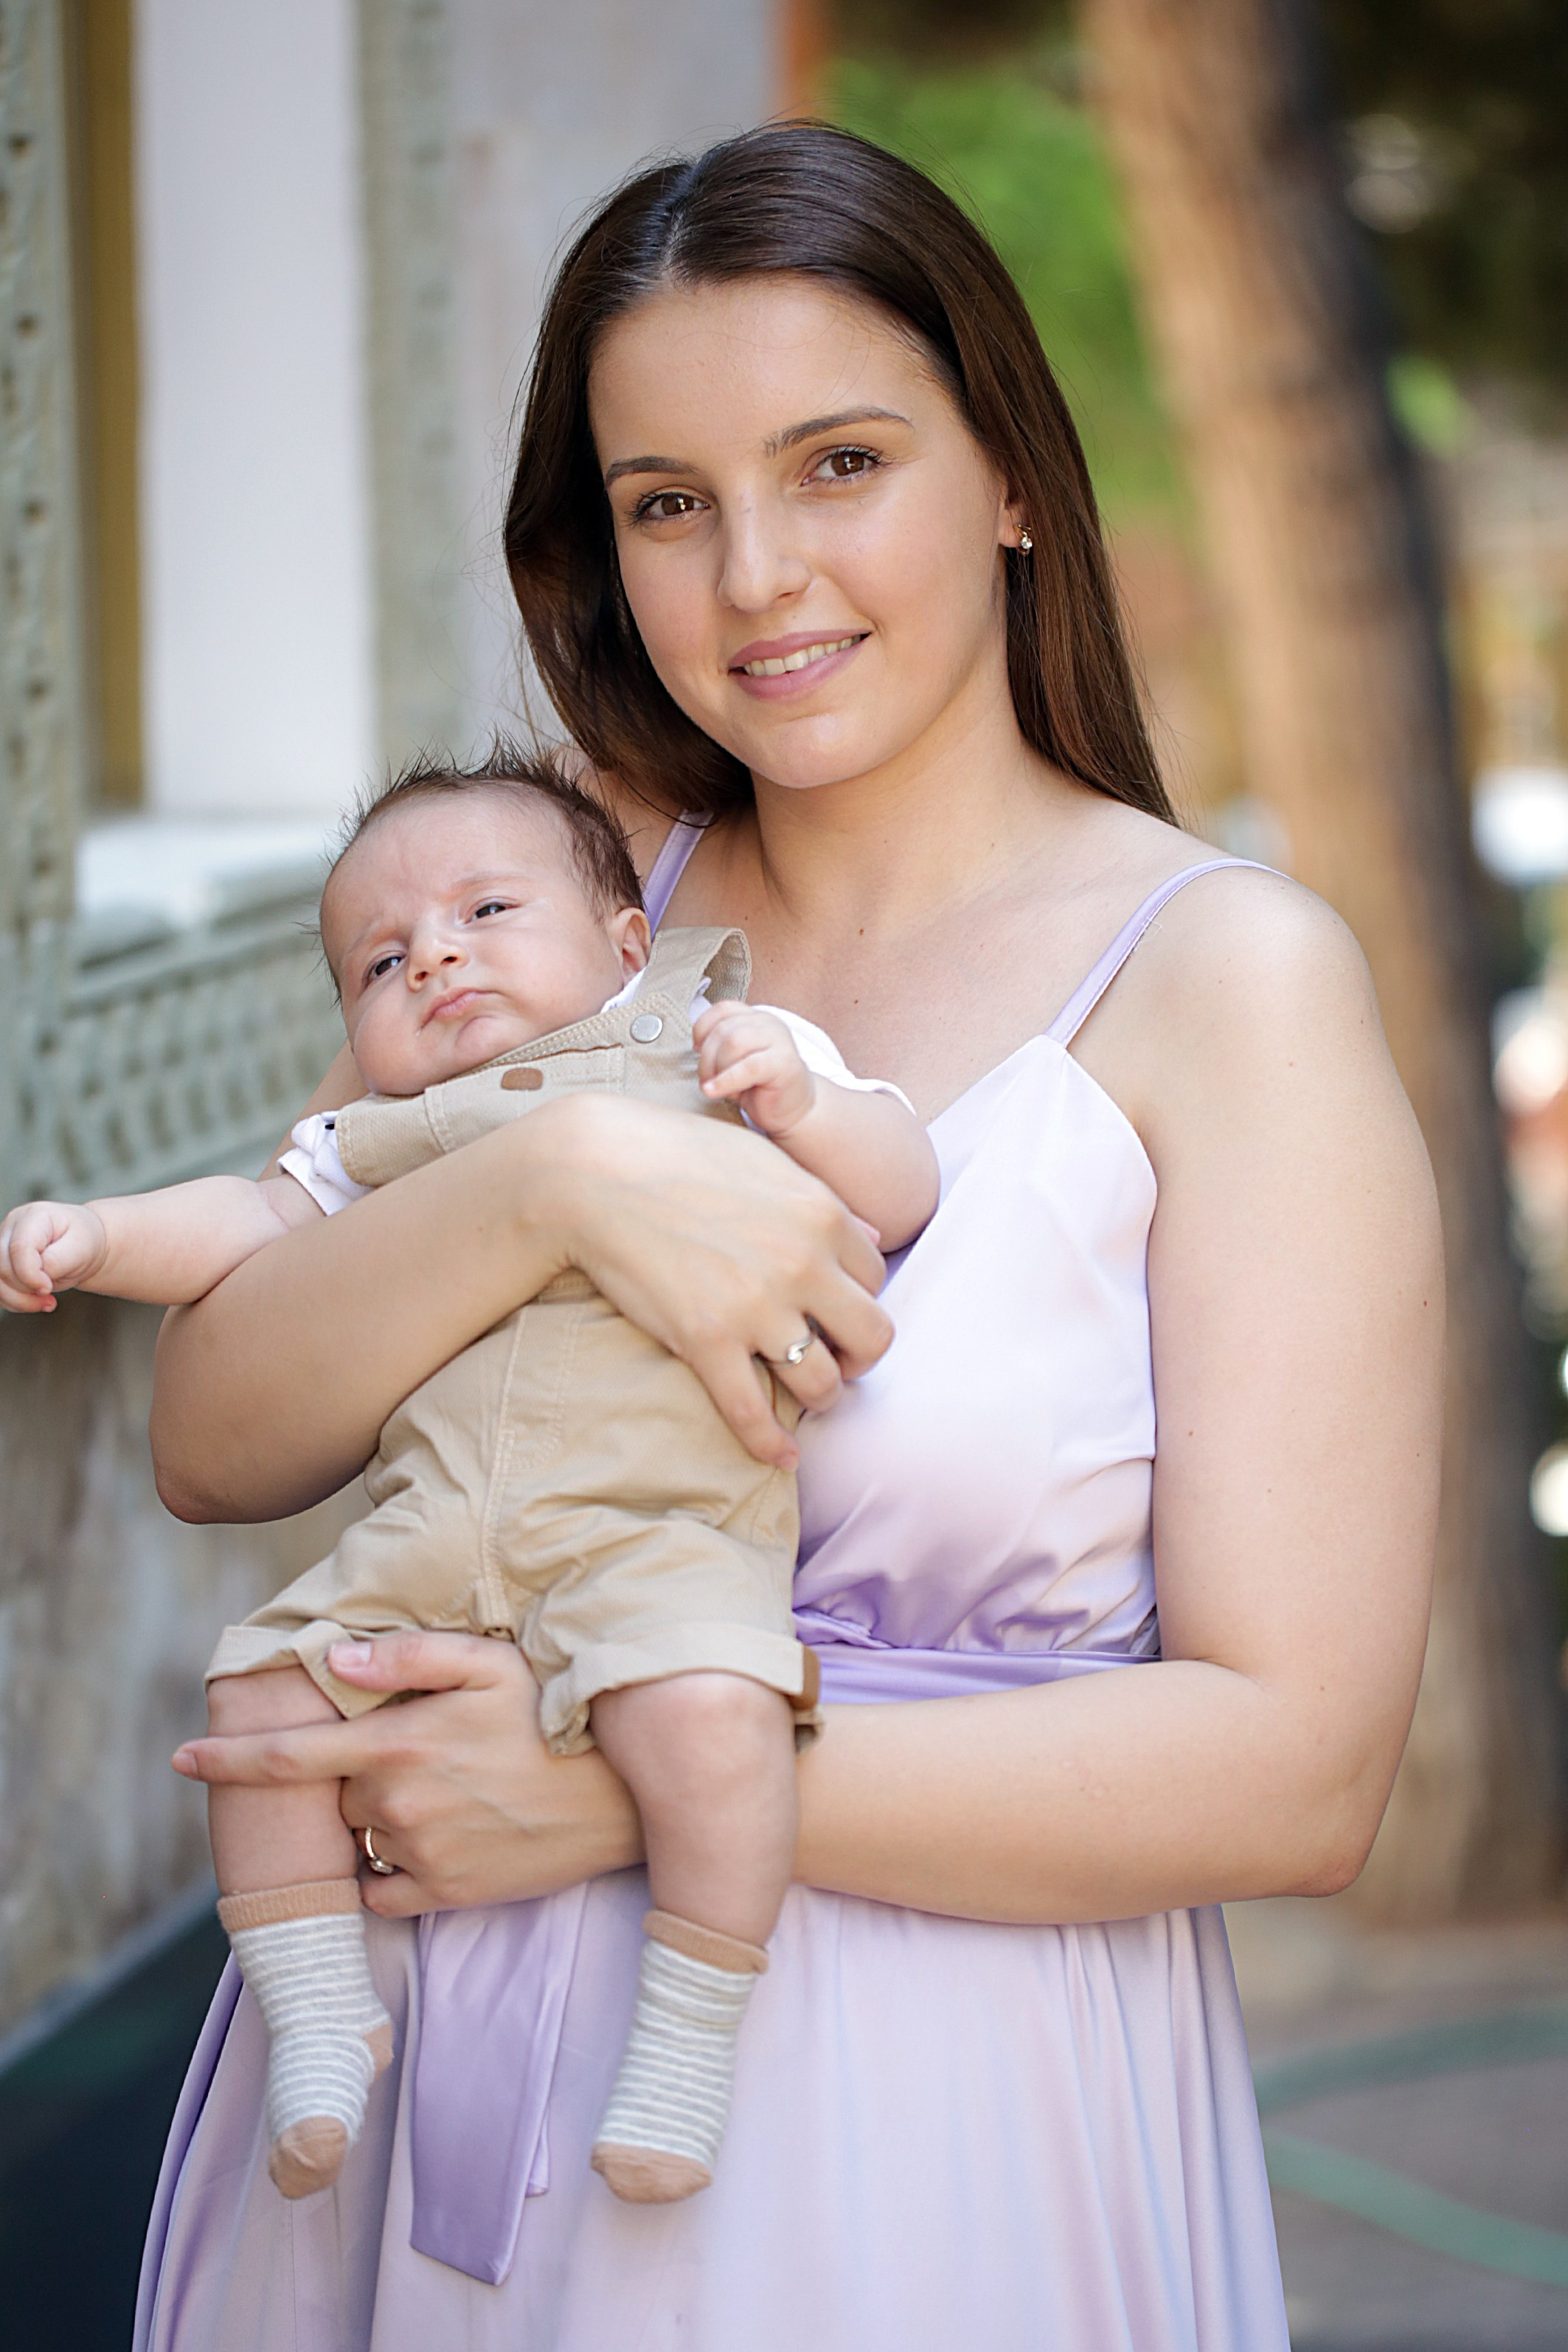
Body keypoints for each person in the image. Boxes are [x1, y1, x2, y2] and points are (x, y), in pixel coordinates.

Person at [133, 124, 1440, 2351]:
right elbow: (220, 1424)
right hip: (418, 2104)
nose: (755, 574)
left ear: (1008, 473)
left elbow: (1294, 1764)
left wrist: (613, 1790)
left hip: (930, 2128)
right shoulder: (552, 916)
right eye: (666, 501)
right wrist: (560, 1177)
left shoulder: (1224, 981)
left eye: (837, 460)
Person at [1, 748, 936, 2207]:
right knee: (258, 1694)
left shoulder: (704, 1044)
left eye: (486, 908)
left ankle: (686, 2034)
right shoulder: (376, 1140)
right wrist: (98, 1236)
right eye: (381, 960)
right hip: (435, 1533)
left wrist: (804, 1102)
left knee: (709, 1713)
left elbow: (898, 1182)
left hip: (656, 1528)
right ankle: (315, 2005)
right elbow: (246, 1224)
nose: (432, 952)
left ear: (626, 945)